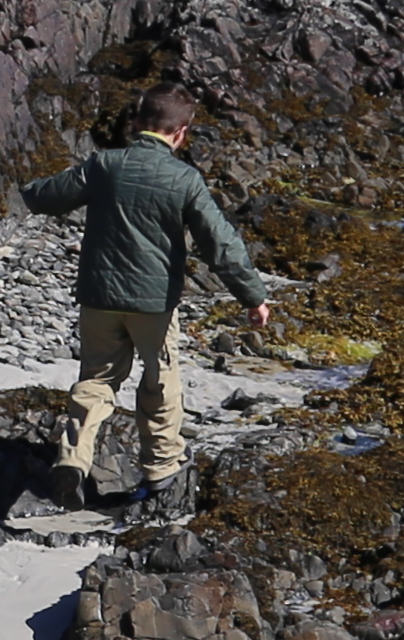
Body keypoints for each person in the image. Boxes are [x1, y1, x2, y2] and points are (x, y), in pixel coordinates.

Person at [19, 84, 274, 506]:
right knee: (160, 384)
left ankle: (72, 460)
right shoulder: (184, 179)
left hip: (99, 296)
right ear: (181, 133)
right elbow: (221, 244)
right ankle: (160, 471)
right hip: (153, 304)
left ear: (137, 124)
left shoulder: (105, 164)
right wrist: (253, 297)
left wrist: (28, 187)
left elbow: (46, 197)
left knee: (97, 381)